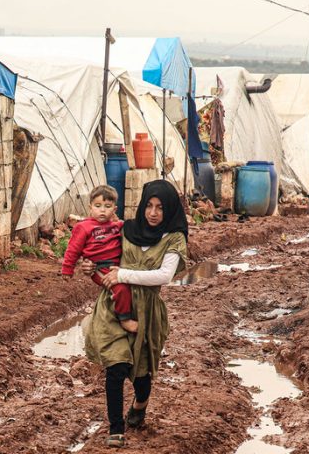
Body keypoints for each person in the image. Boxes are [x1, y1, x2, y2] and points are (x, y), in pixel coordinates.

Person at [81, 179, 188, 448]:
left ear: (170, 210)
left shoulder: (174, 238)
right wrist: (91, 267)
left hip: (146, 312)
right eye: (149, 206)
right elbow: (105, 255)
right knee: (116, 368)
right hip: (114, 305)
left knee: (141, 374)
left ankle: (140, 403)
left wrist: (123, 274)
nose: (153, 213)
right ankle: (116, 428)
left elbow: (163, 275)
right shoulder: (127, 229)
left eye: (160, 208)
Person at [60, 185, 136, 332]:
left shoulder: (116, 226)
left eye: (107, 206)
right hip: (99, 267)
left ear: (114, 209)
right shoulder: (83, 227)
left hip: (116, 265)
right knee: (120, 288)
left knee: (132, 287)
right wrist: (67, 269)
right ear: (90, 207)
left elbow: (131, 229)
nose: (102, 210)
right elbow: (73, 249)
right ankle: (124, 319)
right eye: (98, 206)